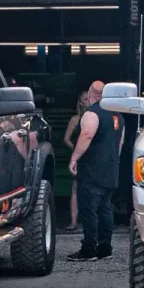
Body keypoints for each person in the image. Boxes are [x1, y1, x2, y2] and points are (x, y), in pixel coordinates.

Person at [67, 83, 120, 261]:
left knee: (89, 210)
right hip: (110, 170)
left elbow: (86, 135)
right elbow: (118, 144)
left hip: (91, 170)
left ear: (91, 94)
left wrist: (74, 158)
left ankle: (89, 249)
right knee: (105, 209)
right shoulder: (117, 115)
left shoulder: (92, 113)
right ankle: (105, 247)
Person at [62, 80, 104, 231]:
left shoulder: (100, 116)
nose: (88, 101)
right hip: (80, 158)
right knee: (75, 189)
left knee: (96, 189)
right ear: (80, 102)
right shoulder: (75, 120)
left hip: (95, 158)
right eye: (85, 99)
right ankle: (74, 221)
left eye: (89, 98)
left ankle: (95, 222)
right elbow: (66, 139)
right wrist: (77, 150)